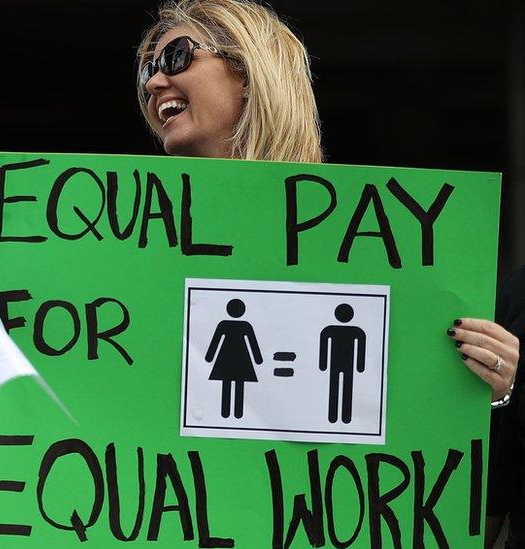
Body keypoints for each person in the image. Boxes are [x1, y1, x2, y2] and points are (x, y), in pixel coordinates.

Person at [136, 0, 518, 544]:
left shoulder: (384, 257)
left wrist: (499, 397)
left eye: (175, 57)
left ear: (250, 70)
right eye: (147, 69)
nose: (155, 83)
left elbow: (457, 509)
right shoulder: (124, 258)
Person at [204, 298, 262, 419]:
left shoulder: (225, 324)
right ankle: (236, 413)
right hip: (241, 358)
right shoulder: (244, 325)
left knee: (228, 383)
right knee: (238, 384)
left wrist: (209, 357)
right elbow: (253, 344)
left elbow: (215, 342)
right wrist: (258, 359)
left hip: (226, 358)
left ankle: (228, 412)